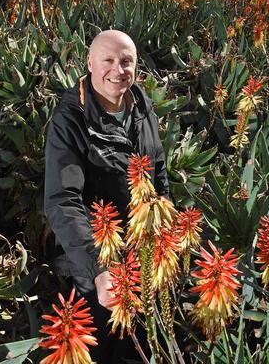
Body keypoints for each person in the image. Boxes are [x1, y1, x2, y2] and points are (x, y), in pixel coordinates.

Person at [44, 29, 169, 362]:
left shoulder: (141, 105)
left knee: (140, 341)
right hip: (92, 256)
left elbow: (158, 170)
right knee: (103, 345)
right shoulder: (70, 119)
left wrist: (164, 229)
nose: (118, 70)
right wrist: (100, 269)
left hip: (141, 248)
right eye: (108, 60)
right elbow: (62, 200)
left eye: (126, 61)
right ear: (89, 62)